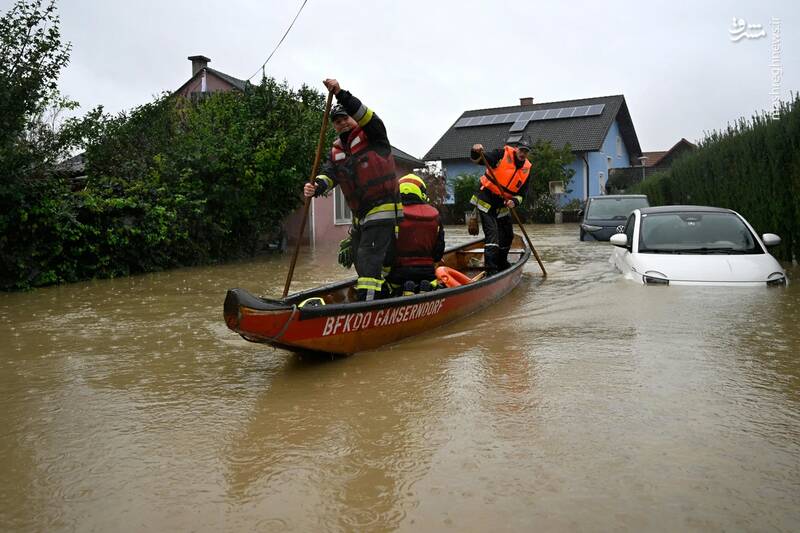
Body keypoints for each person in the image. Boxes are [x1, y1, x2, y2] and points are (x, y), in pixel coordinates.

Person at [303, 79, 401, 301]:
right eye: (337, 121)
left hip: (383, 210)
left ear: (354, 119)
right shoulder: (336, 151)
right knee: (361, 258)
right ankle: (384, 294)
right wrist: (316, 187)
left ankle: (368, 306)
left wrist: (340, 93)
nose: (342, 124)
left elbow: (366, 115)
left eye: (345, 118)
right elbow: (330, 175)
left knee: (368, 259)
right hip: (361, 217)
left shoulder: (374, 135)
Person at [469, 135, 533, 274]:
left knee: (508, 235)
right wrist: (475, 150)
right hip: (486, 199)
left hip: (502, 204)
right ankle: (491, 270)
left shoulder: (526, 170)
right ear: (516, 149)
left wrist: (514, 201)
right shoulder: (501, 154)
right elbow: (481, 159)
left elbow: (522, 195)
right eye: (521, 150)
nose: (523, 153)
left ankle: (501, 262)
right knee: (493, 236)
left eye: (526, 151)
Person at [385, 174, 445, 296]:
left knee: (389, 284)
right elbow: (439, 250)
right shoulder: (435, 216)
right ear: (421, 192)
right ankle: (425, 288)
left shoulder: (393, 215)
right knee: (431, 282)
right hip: (427, 272)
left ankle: (404, 290)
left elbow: (388, 250)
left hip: (399, 273)